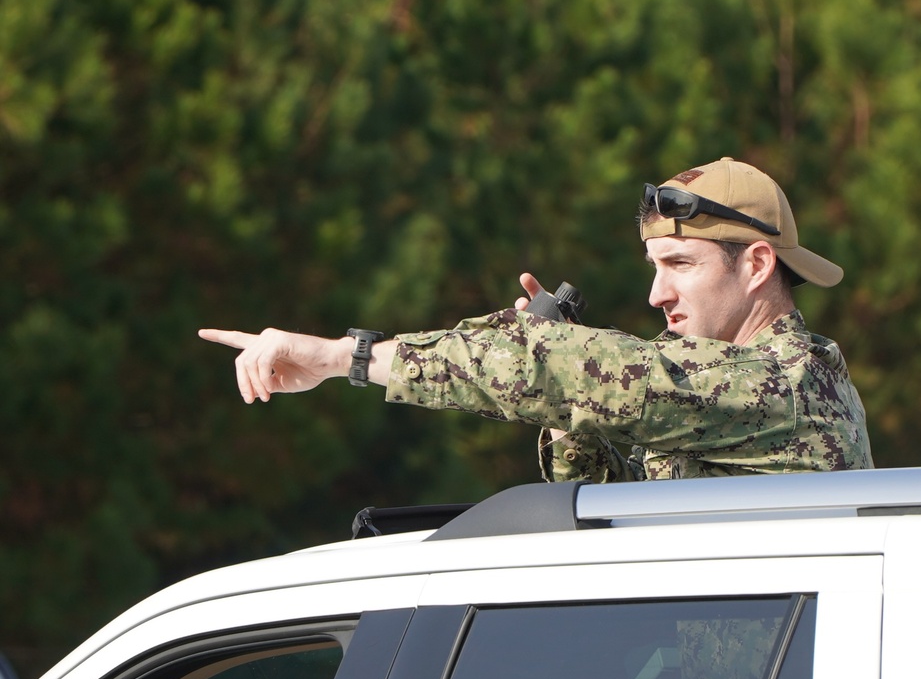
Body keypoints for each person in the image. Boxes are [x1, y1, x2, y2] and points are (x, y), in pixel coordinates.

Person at [200, 157, 873, 483]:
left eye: (680, 263)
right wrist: (559, 396)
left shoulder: (782, 385)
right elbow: (616, 504)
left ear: (757, 266)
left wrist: (341, 356)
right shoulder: (737, 393)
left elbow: (561, 373)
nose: (655, 295)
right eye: (652, 265)